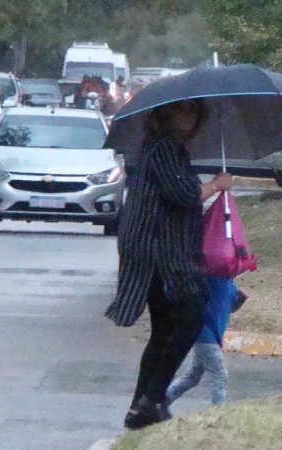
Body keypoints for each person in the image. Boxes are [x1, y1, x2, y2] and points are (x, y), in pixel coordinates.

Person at [104, 99, 234, 431]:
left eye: (193, 113)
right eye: (181, 111)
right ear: (165, 114)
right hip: (156, 249)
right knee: (189, 318)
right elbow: (184, 194)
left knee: (164, 328)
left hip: (160, 246)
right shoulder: (162, 146)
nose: (187, 119)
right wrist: (217, 185)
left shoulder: (169, 148)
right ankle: (152, 399)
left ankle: (141, 406)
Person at [164, 277, 248, 408]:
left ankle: (161, 403)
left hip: (211, 336)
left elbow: (228, 307)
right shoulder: (213, 279)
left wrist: (241, 299)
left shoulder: (230, 283)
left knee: (192, 376)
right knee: (220, 375)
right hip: (205, 335)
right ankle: (217, 412)